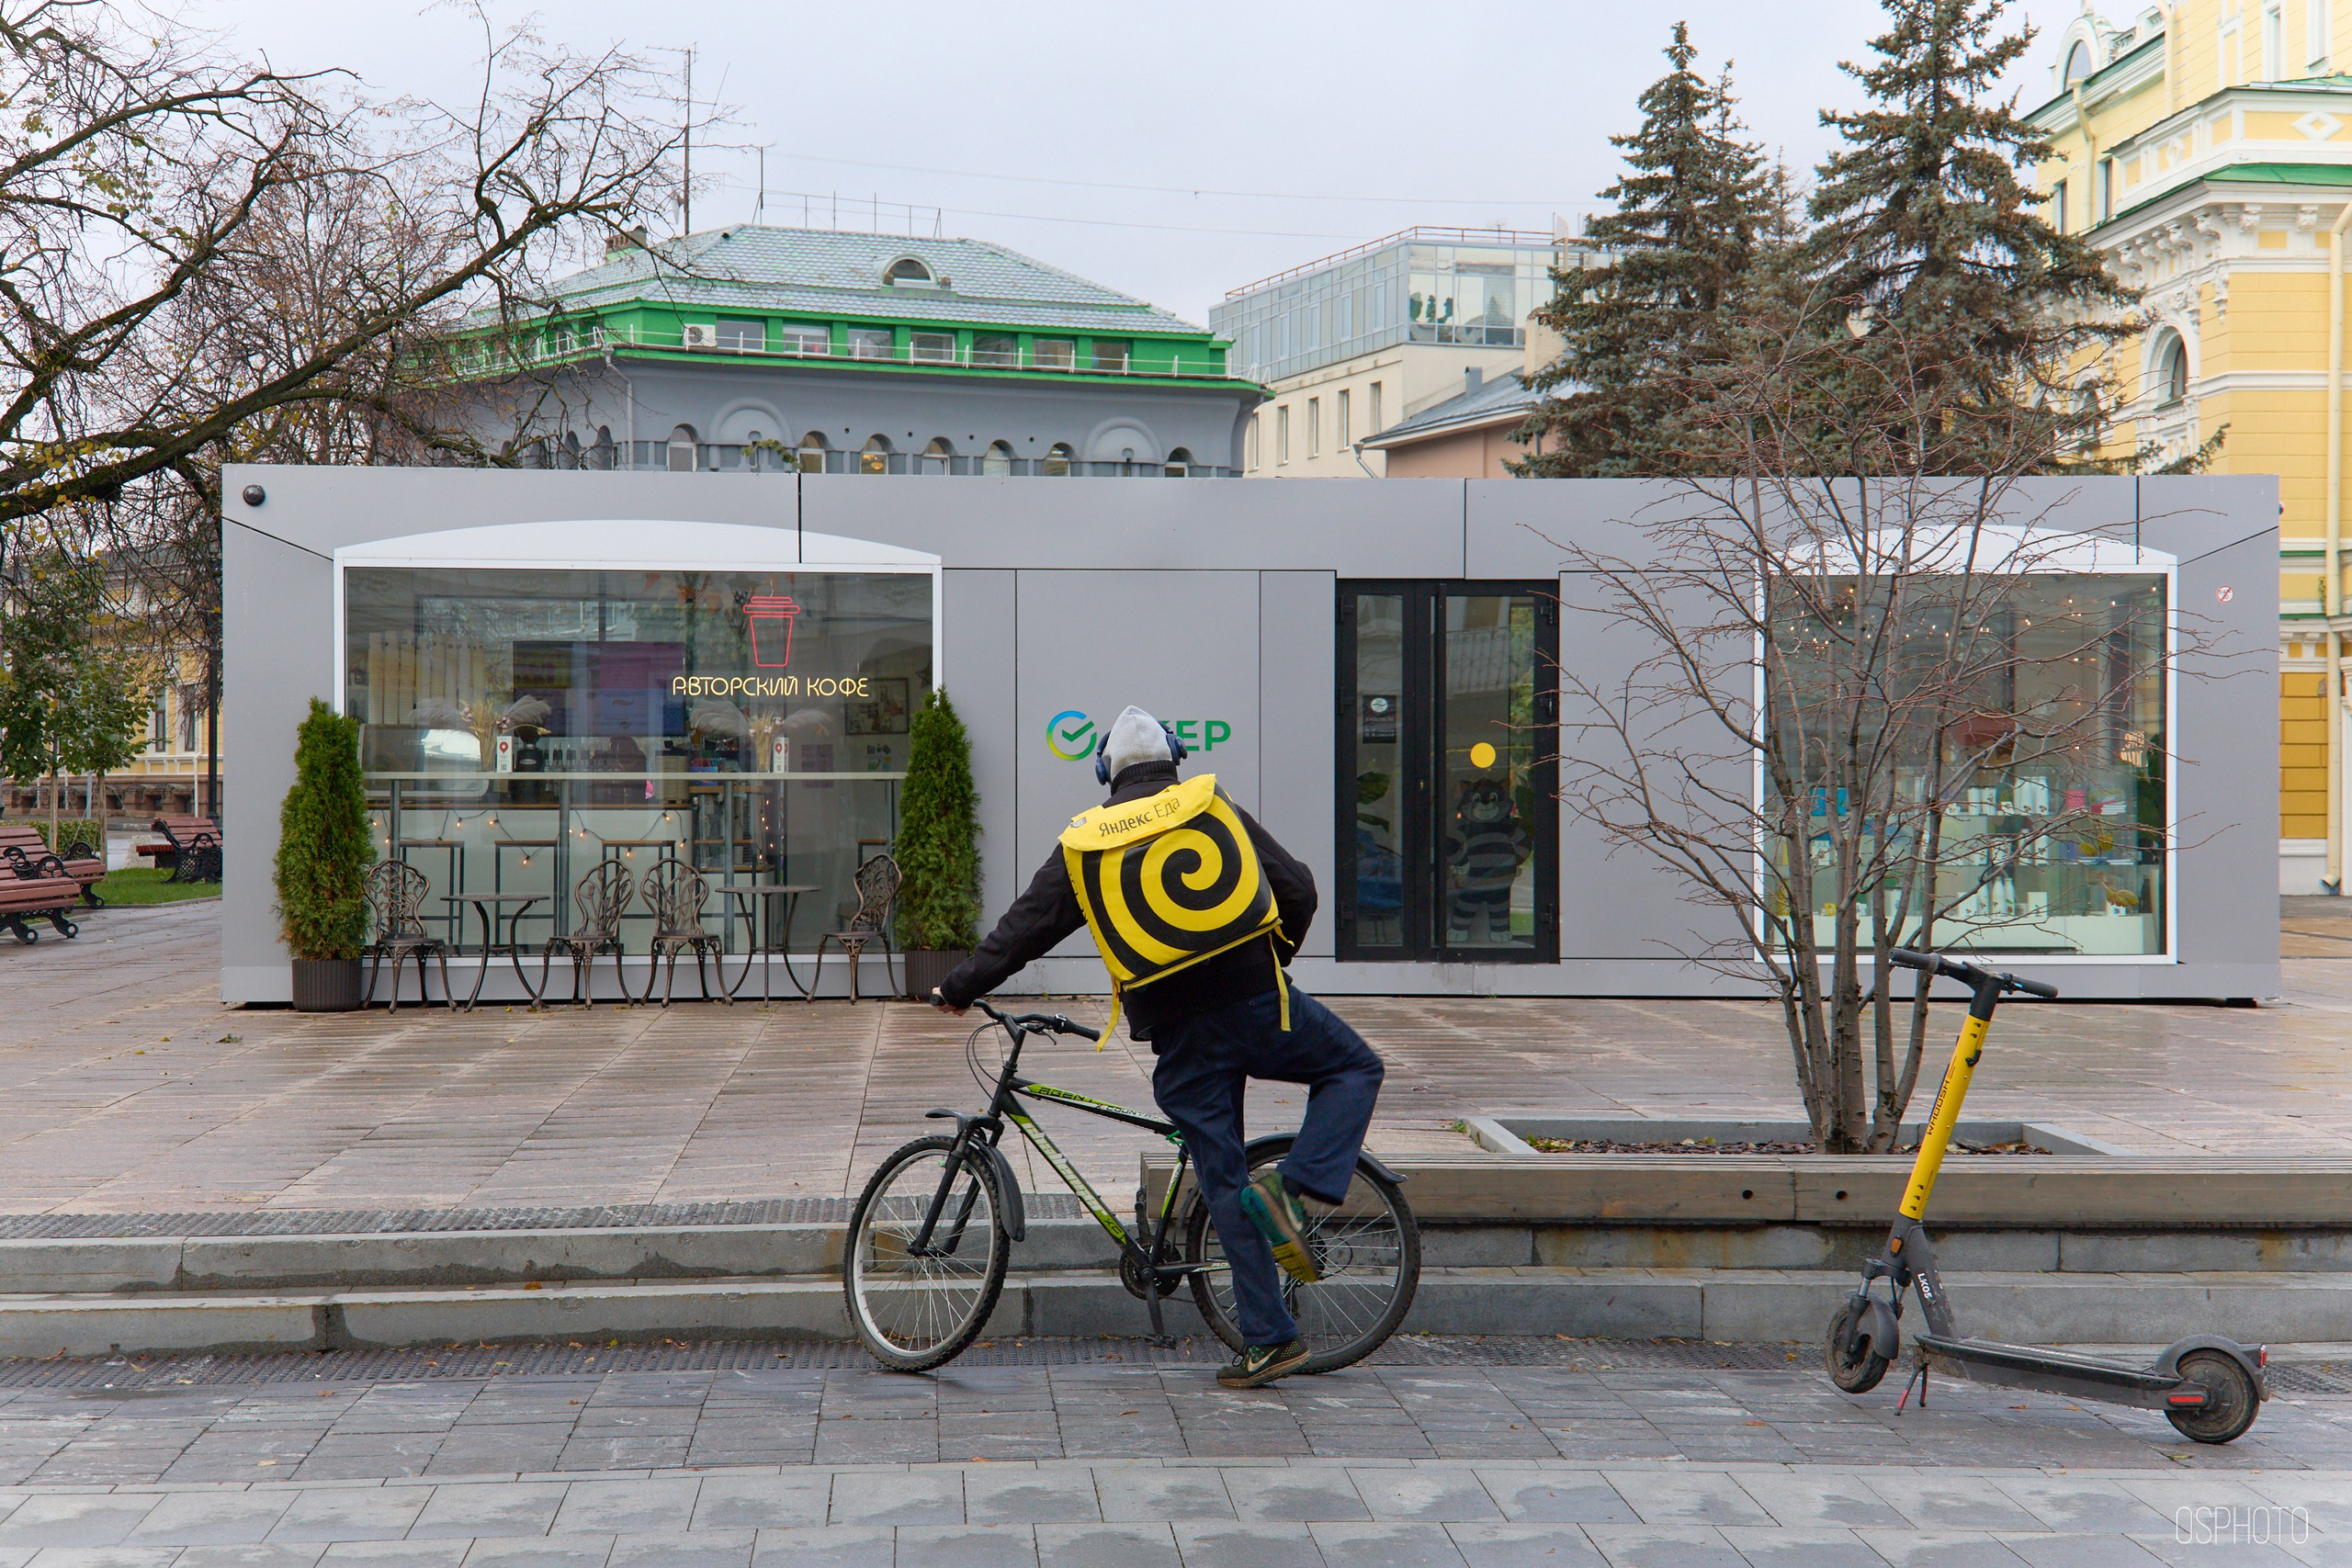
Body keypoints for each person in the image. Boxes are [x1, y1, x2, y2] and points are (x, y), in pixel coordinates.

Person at [932, 705, 1385, 1388]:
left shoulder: (1086, 841)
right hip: (1261, 1004)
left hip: (1183, 1034)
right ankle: (1291, 1189)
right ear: (1173, 758)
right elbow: (1298, 888)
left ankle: (1271, 1339)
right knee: (1355, 1067)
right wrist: (1274, 958)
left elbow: (1024, 929)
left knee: (1223, 1179)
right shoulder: (1211, 806)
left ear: (1105, 773)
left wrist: (960, 986)